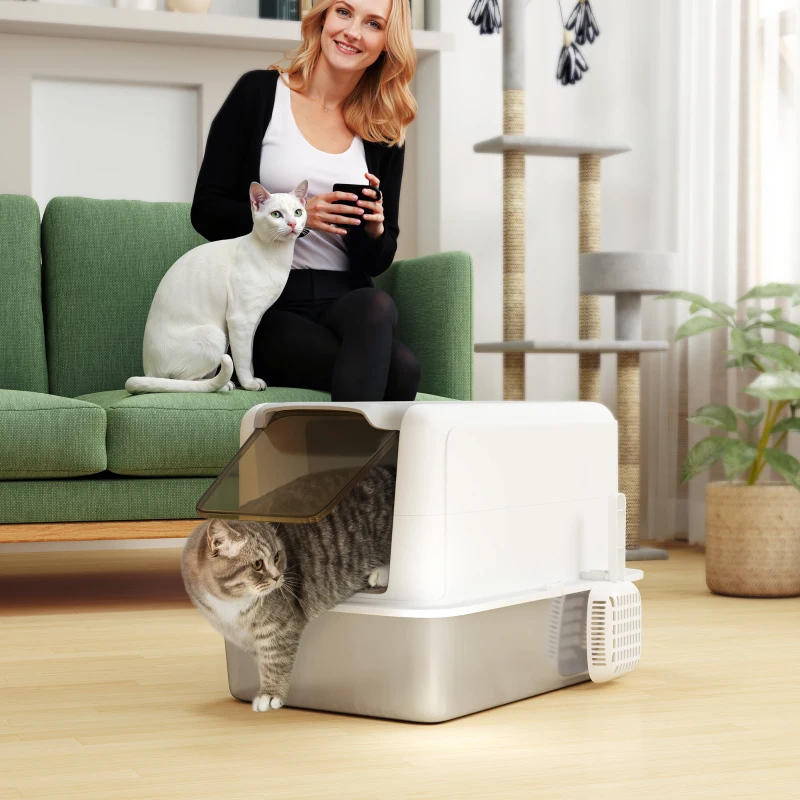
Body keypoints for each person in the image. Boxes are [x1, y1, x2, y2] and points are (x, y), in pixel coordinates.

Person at [190, 0, 421, 401]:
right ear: (323, 18)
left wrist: (374, 229)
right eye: (344, 13)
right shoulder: (258, 94)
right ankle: (357, 466)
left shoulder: (383, 128)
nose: (352, 32)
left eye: (373, 24)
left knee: (381, 314)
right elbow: (206, 211)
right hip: (271, 298)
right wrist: (303, 217)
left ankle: (343, 466)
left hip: (345, 296)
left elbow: (379, 258)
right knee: (395, 374)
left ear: (387, 43)